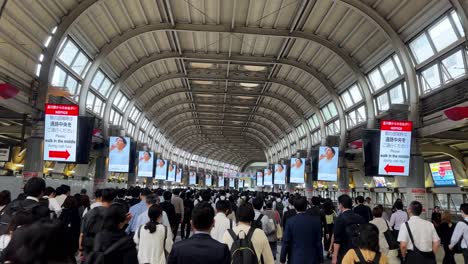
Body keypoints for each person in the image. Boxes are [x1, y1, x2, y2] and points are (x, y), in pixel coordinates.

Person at [280, 196, 323, 264]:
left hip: (295, 259)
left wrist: (282, 259)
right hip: (313, 259)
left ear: (294, 207)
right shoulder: (316, 221)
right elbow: (319, 242)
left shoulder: (290, 222)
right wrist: (321, 259)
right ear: (306, 206)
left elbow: (286, 242)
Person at [79, 188, 117, 259]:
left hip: (89, 246)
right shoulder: (115, 214)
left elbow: (82, 233)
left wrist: (81, 249)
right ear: (113, 199)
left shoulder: (89, 212)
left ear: (101, 198)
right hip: (106, 248)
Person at [332, 194, 366, 264]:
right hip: (359, 252)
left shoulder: (339, 219)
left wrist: (334, 257)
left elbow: (337, 240)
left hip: (344, 253)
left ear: (341, 205)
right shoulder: (360, 218)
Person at [59, 196, 81, 262]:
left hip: (62, 237)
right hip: (72, 238)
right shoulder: (76, 212)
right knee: (71, 256)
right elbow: (77, 227)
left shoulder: (62, 211)